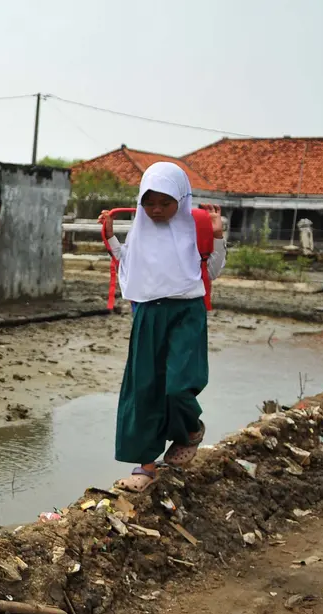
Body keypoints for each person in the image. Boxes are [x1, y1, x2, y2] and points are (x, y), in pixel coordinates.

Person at [105, 162, 226, 492]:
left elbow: (212, 271)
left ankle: (190, 430)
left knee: (178, 384)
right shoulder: (140, 230)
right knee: (144, 390)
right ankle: (144, 467)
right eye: (150, 202)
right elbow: (126, 262)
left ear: (180, 199)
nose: (156, 210)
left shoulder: (196, 227)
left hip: (186, 311)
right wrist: (110, 234)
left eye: (165, 203)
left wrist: (217, 233)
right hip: (147, 314)